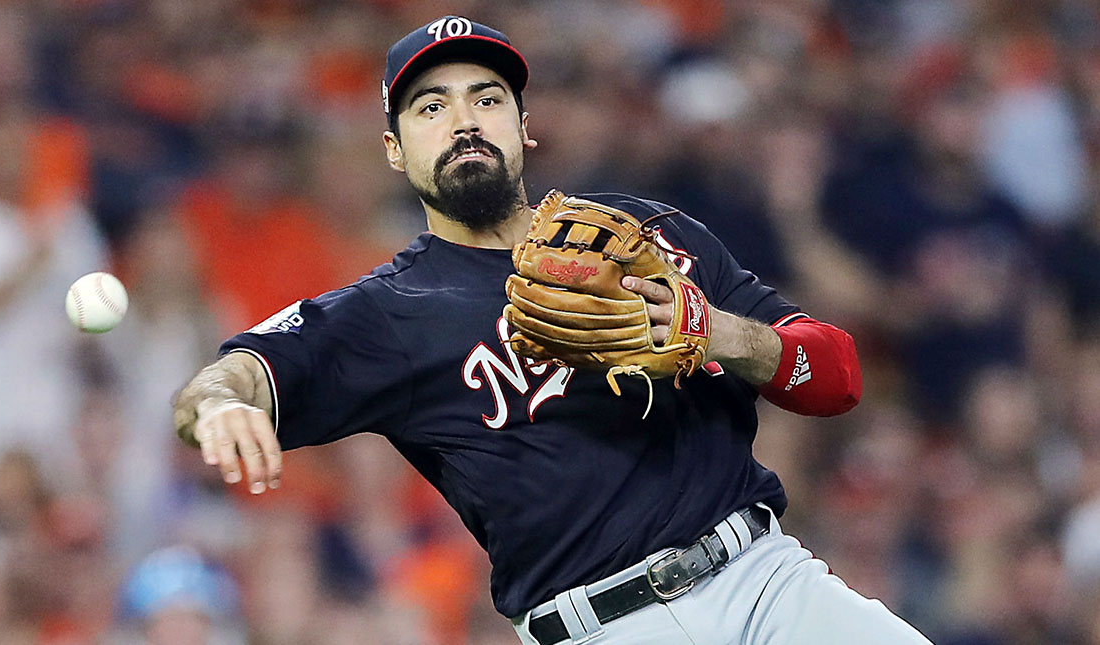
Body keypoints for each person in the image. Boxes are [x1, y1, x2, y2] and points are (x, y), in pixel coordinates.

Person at [173, 16, 933, 644]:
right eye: (431, 107)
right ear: (394, 149)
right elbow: (235, 371)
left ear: (524, 127)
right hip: (606, 626)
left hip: (768, 582)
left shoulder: (643, 232)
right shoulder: (388, 312)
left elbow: (838, 378)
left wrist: (719, 332)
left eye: (487, 98)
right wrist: (222, 401)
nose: (464, 119)